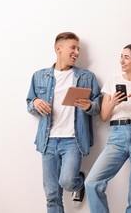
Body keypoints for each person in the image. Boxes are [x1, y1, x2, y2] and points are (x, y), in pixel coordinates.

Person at [26, 32, 102, 213]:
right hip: (48, 141)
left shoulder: (86, 77)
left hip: (73, 141)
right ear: (58, 49)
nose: (77, 52)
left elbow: (99, 105)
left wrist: (89, 105)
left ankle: (79, 182)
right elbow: (29, 103)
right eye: (73, 48)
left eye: (79, 49)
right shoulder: (39, 76)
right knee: (52, 195)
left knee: (68, 181)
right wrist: (35, 102)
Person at [85, 43, 131, 213]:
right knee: (91, 182)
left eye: (126, 57)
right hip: (116, 137)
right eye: (121, 56)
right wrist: (113, 102)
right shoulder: (112, 82)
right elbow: (104, 117)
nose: (122, 61)